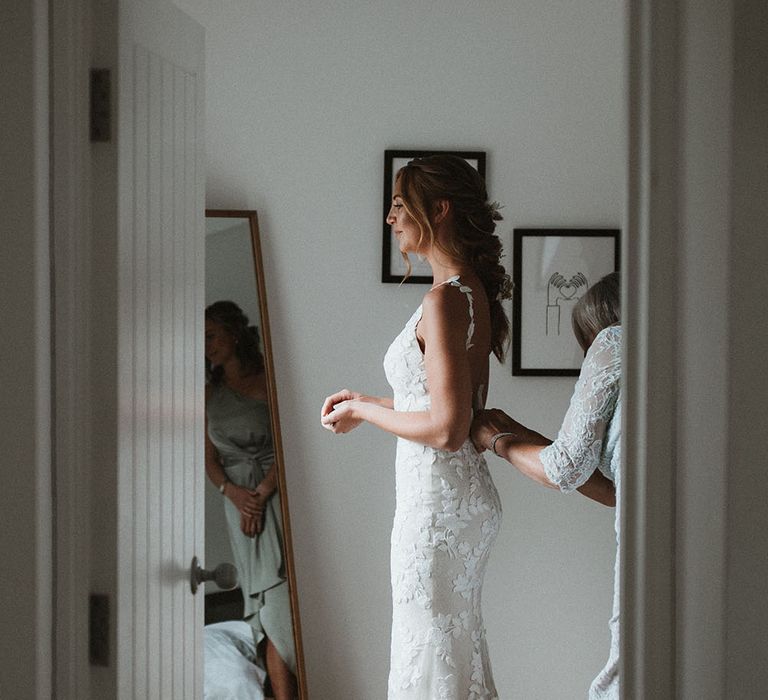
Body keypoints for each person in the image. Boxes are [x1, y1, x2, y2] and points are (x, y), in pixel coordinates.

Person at [321, 154, 511, 699]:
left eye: (400, 204)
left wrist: (362, 412)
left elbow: (449, 428)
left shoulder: (444, 299)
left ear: (440, 209)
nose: (390, 217)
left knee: (432, 651)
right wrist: (368, 398)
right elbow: (434, 403)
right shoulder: (467, 290)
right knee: (444, 648)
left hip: (437, 509)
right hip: (451, 501)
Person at [471, 271, 622, 699]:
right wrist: (518, 431)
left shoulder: (614, 341)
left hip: (644, 545)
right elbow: (614, 490)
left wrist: (495, 441)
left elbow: (566, 468)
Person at [204, 300, 297, 700]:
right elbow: (208, 462)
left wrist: (261, 493)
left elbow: (287, 443)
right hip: (238, 506)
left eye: (211, 336)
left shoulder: (267, 381)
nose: (206, 345)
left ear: (234, 334)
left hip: (274, 497)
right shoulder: (208, 394)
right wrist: (235, 494)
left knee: (282, 605)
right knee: (260, 610)